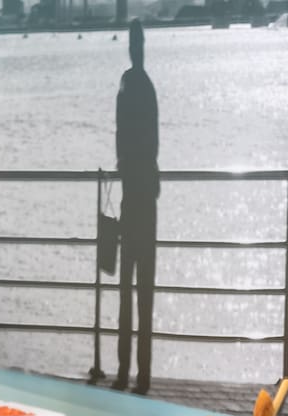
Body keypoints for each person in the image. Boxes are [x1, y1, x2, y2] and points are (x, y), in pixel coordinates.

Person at [113, 19, 160, 395]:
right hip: (147, 197)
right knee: (144, 291)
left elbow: (121, 137)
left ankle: (124, 369)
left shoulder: (127, 87)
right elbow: (153, 140)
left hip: (131, 196)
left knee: (126, 291)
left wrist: (124, 164)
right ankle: (142, 374)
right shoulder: (147, 87)